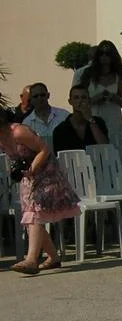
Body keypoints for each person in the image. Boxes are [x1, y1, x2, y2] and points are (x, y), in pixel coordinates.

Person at [0, 105, 80, 274]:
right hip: (27, 178)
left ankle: (31, 260)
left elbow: (44, 149)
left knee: (34, 214)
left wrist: (33, 169)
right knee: (31, 216)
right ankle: (53, 257)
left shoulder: (18, 132)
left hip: (46, 174)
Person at [80, 40, 122, 157]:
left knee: (114, 153)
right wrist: (96, 98)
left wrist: (113, 97)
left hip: (113, 119)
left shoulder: (117, 76)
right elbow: (80, 100)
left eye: (108, 54)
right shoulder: (88, 75)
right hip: (94, 117)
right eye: (101, 53)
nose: (104, 57)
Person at [52, 86, 109, 154]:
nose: (80, 101)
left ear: (89, 100)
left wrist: (90, 120)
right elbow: (59, 156)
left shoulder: (99, 122)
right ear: (70, 101)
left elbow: (105, 147)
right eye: (76, 98)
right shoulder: (60, 129)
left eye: (84, 97)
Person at [22, 84, 68, 150]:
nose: (39, 98)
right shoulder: (27, 123)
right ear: (31, 99)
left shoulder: (64, 115)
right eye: (36, 96)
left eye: (42, 95)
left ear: (48, 95)